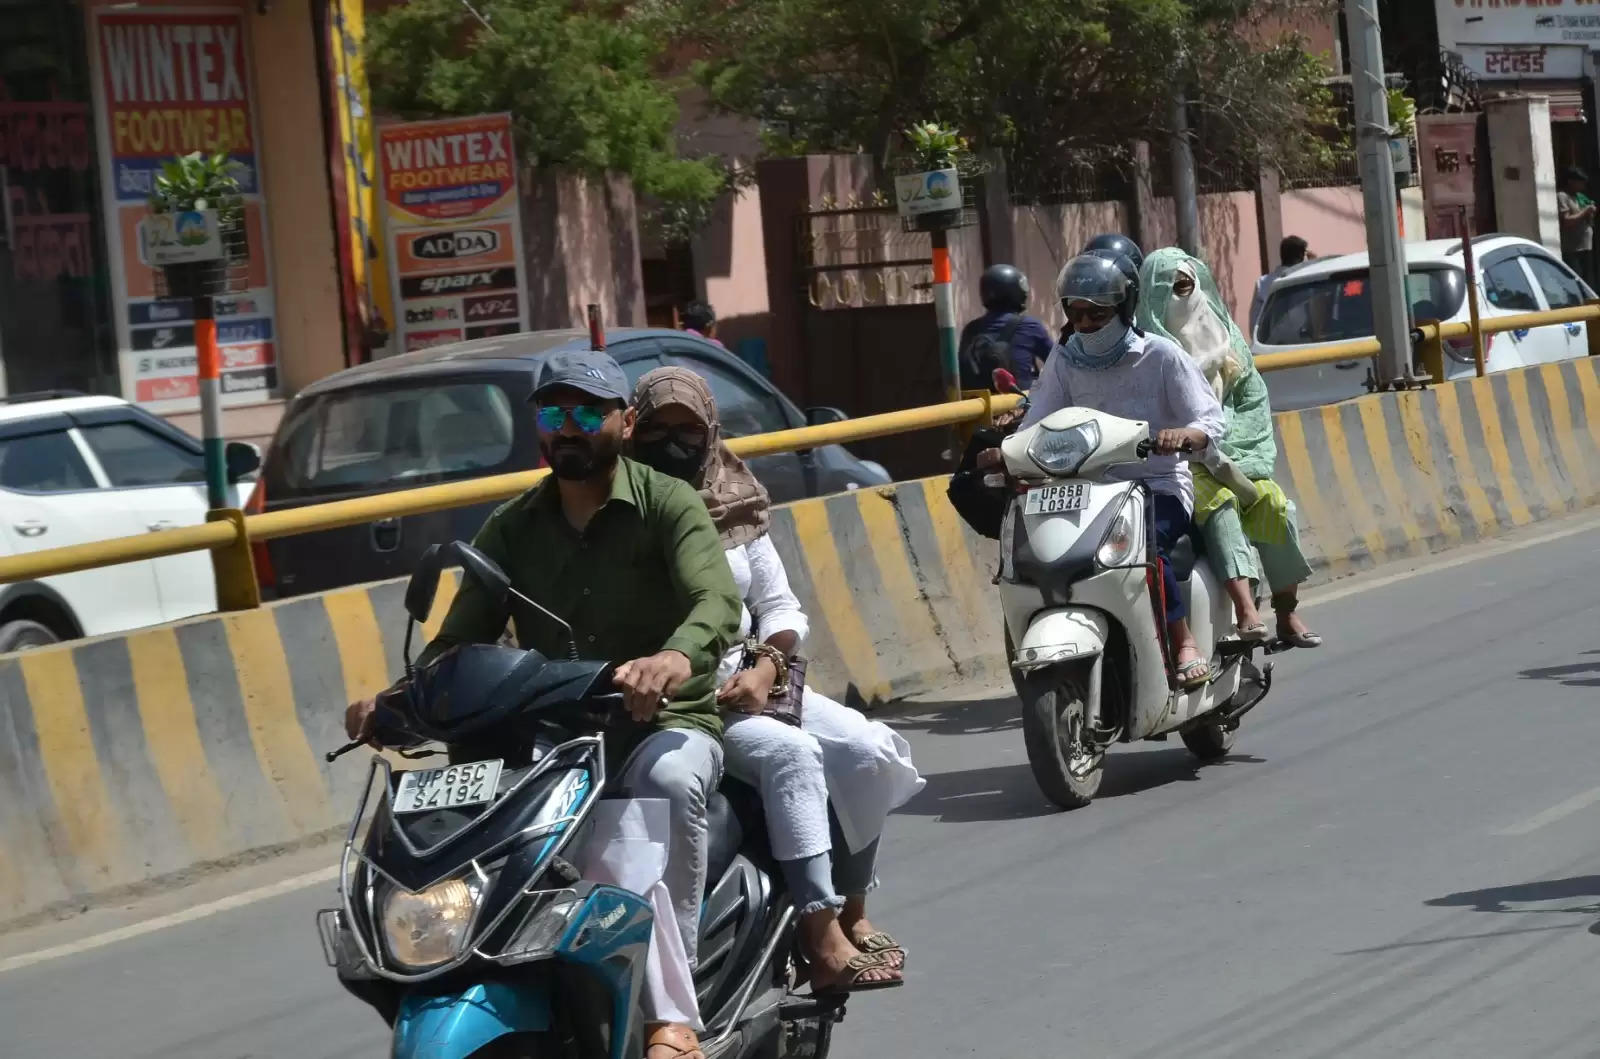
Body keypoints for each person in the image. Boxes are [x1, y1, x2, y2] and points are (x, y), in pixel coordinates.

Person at [344, 348, 742, 1059]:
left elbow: (715, 598)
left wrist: (674, 656)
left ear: (623, 421)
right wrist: (396, 697)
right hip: (553, 736)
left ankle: (671, 1017)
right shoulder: (513, 525)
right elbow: (458, 639)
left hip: (662, 722)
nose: (569, 428)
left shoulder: (667, 503)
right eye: (554, 413)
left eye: (587, 412)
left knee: (668, 784)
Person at [628, 366, 925, 993]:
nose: (675, 444)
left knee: (870, 751)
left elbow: (781, 606)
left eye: (689, 430)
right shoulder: (625, 509)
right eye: (660, 430)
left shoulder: (732, 499)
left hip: (752, 678)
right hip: (689, 702)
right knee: (793, 755)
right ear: (635, 432)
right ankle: (819, 938)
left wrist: (766, 669)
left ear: (710, 433)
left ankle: (852, 908)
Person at [987, 252, 1224, 690]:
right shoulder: (1065, 359)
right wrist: (1007, 448)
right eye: (1075, 314)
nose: (1085, 324)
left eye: (1097, 314)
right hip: (1085, 491)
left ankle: (1183, 640)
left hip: (1157, 486)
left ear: (1124, 308)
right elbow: (1038, 418)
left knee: (1147, 550)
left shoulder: (1160, 355)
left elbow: (1210, 418)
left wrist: (1185, 435)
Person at [1138, 247, 1323, 649]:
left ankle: (1287, 611)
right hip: (1180, 468)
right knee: (1219, 505)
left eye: (1186, 286)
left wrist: (1232, 454)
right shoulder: (1149, 352)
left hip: (1234, 460)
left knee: (1275, 504)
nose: (1181, 297)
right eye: (1168, 290)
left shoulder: (1228, 339)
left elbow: (1251, 402)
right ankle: (1245, 611)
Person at [958, 264, 1055, 390]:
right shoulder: (1029, 326)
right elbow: (1059, 363)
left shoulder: (970, 329)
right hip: (1020, 405)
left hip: (978, 406)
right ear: (1016, 291)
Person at [1248, 235, 1308, 339]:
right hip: (1304, 345)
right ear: (1301, 256)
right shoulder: (1307, 280)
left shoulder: (1263, 283)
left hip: (1271, 348)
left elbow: (1254, 323)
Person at [1558, 168, 1596, 289]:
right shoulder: (1562, 196)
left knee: (1588, 281)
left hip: (1585, 246)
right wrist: (1585, 211)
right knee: (1577, 282)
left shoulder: (1579, 197)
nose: (1582, 186)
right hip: (1573, 249)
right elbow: (1567, 221)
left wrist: (1590, 212)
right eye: (1580, 182)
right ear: (1570, 181)